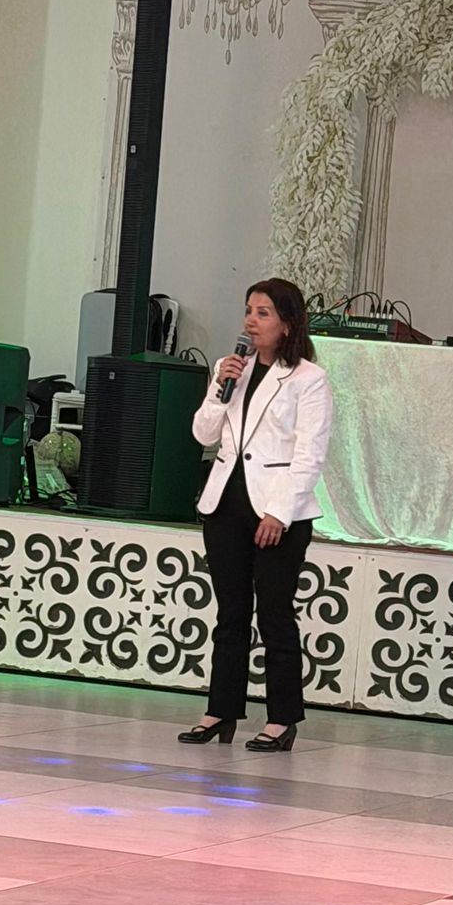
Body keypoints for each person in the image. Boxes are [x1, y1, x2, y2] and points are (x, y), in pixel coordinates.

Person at [179, 277, 334, 753]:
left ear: (287, 324)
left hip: (277, 510)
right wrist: (219, 389)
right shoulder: (232, 369)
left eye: (263, 313)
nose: (251, 320)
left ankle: (282, 718)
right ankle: (220, 710)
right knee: (230, 614)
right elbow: (203, 434)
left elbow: (309, 455)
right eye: (249, 310)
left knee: (274, 613)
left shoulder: (309, 379)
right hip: (226, 503)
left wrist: (279, 513)